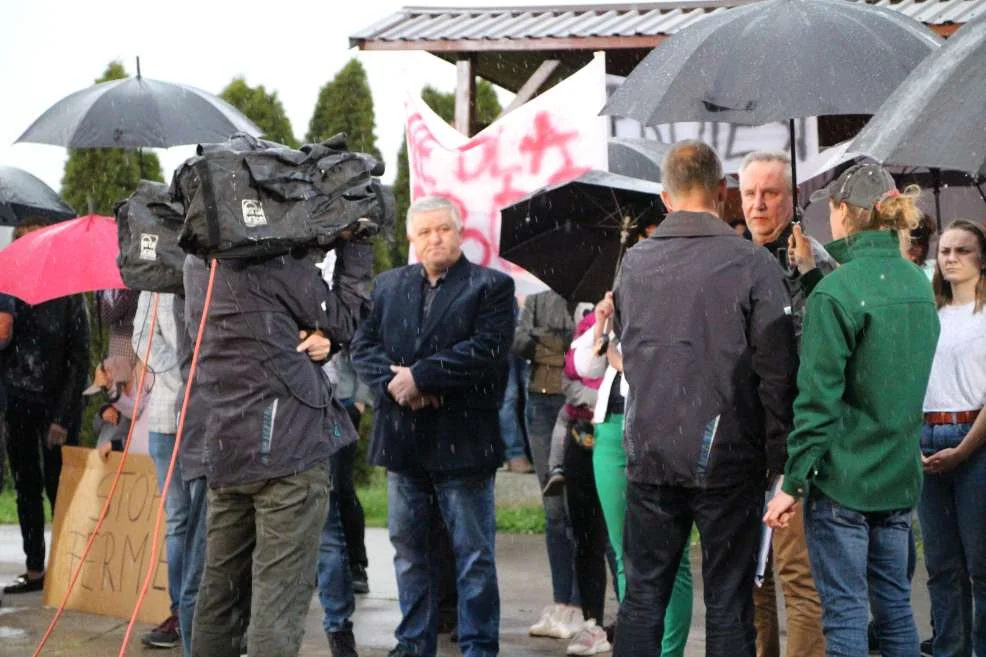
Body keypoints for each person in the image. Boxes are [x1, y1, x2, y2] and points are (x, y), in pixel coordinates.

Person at [612, 140, 798, 657]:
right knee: (728, 600)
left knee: (644, 595)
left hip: (650, 452)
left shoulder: (635, 263)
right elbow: (777, 371)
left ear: (665, 198)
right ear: (724, 191)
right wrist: (781, 458)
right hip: (730, 455)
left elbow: (627, 348)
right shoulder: (752, 263)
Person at [765, 164, 939, 657]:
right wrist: (812, 273)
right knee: (896, 609)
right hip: (899, 477)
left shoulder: (836, 295)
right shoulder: (917, 284)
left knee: (843, 615)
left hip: (844, 482)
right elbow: (880, 354)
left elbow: (817, 403)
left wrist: (791, 484)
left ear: (842, 212)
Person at [186, 237, 372, 657]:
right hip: (285, 451)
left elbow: (256, 334)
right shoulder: (275, 260)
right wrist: (357, 243)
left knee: (221, 595)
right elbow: (344, 317)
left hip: (226, 445)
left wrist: (313, 341)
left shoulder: (198, 262)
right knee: (278, 600)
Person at [351, 195, 514, 657]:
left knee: (473, 556)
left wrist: (421, 376)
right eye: (424, 232)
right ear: (411, 239)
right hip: (404, 444)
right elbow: (363, 347)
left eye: (443, 229)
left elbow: (485, 351)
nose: (434, 238)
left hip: (464, 444)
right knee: (409, 551)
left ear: (460, 233)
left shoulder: (491, 287)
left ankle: (479, 646)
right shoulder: (386, 287)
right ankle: (412, 643)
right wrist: (396, 384)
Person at [739, 150, 833, 657]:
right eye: (750, 192)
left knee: (797, 576)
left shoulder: (812, 259)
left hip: (795, 441)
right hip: (743, 442)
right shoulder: (732, 258)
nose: (758, 204)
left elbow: (827, 352)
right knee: (751, 582)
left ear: (790, 198)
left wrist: (802, 275)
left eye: (770, 193)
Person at [574, 290, 693, 657]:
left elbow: (676, 367)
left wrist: (624, 361)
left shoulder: (681, 302)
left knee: (674, 556)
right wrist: (601, 324)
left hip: (664, 432)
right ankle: (637, 647)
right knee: (626, 552)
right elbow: (586, 367)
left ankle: (668, 651)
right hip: (611, 431)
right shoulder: (622, 306)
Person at [2, 219, 90, 595]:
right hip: (18, 403)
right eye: (17, 240)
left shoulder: (68, 293)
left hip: (57, 405)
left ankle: (67, 568)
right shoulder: (8, 292)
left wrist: (62, 417)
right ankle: (35, 567)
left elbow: (80, 358)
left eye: (29, 239)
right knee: (26, 487)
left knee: (61, 488)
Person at [919, 219, 986, 657]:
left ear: (982, 259)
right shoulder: (930, 313)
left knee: (981, 564)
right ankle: (949, 650)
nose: (951, 258)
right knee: (941, 565)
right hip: (925, 435)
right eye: (945, 251)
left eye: (962, 250)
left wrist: (963, 450)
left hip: (974, 437)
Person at [513, 289, 583, 639]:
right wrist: (567, 346)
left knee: (582, 509)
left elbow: (586, 348)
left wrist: (554, 343)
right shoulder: (537, 301)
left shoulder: (596, 297)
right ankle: (561, 602)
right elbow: (520, 344)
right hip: (541, 404)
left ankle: (581, 605)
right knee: (554, 508)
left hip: (582, 405)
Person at [129, 291, 187, 649]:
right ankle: (182, 611)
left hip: (219, 416)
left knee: (222, 520)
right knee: (179, 518)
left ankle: (220, 612)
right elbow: (141, 335)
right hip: (168, 417)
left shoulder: (224, 265)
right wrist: (184, 374)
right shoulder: (158, 280)